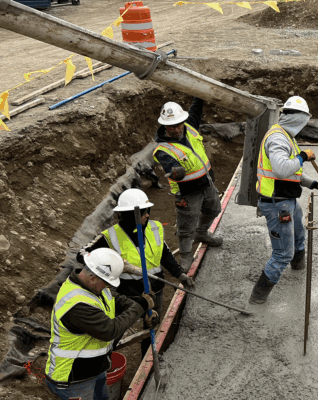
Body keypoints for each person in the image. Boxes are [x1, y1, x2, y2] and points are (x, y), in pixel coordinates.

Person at [78, 188, 193, 358]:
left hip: (155, 289)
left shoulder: (154, 228)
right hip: (127, 294)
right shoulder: (110, 236)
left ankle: (148, 358)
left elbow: (165, 254)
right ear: (129, 214)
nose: (147, 215)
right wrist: (110, 261)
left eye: (148, 211)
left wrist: (179, 275)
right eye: (143, 212)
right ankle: (103, 358)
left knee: (151, 324)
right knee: (118, 327)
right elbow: (82, 254)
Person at [249, 96, 318, 304]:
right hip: (277, 204)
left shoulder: (287, 136)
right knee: (282, 254)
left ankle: (299, 266)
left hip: (287, 200)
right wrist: (303, 156)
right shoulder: (278, 138)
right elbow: (281, 168)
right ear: (296, 118)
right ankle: (257, 298)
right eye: (303, 120)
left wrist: (315, 184)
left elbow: (291, 173)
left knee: (298, 232)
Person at [46, 248, 156, 400]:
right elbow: (109, 330)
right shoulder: (76, 303)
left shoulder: (95, 288)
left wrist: (143, 311)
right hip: (74, 379)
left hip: (96, 369)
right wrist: (141, 306)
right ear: (93, 278)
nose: (107, 287)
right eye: (107, 283)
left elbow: (117, 300)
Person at [153, 98, 223, 271]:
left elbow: (196, 109)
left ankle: (202, 233)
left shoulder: (190, 127)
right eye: (171, 127)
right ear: (165, 127)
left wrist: (200, 94)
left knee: (214, 210)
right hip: (187, 192)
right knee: (186, 225)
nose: (176, 129)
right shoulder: (163, 149)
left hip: (207, 183)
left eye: (178, 124)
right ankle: (185, 256)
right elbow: (170, 166)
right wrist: (176, 172)